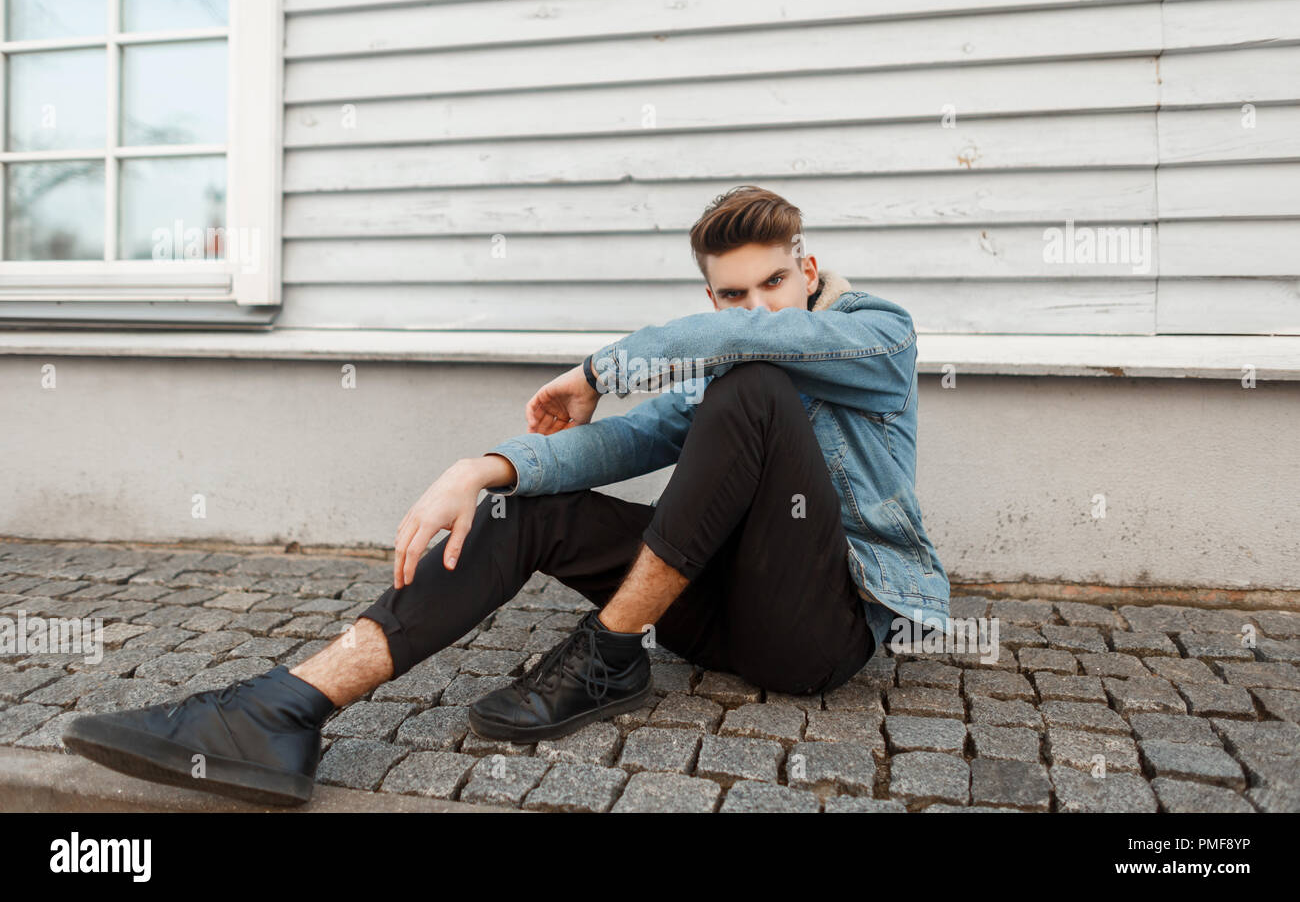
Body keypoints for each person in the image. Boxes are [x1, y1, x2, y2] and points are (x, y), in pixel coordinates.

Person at [63, 185, 950, 806]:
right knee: (527, 502)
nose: (756, 308)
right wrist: (481, 467)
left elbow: (745, 343)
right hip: (715, 614)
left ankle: (607, 653)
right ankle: (283, 709)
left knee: (750, 386)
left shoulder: (876, 335)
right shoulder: (731, 372)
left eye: (774, 284)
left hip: (813, 636)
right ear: (707, 290)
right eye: (733, 294)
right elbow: (625, 440)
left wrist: (603, 368)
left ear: (808, 269)